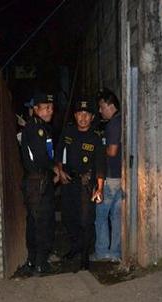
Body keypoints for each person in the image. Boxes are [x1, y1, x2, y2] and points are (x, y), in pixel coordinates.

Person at [56, 97, 106, 271]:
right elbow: (58, 153)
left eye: (87, 114)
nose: (83, 118)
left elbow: (101, 165)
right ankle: (75, 246)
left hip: (86, 184)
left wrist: (100, 188)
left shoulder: (96, 138)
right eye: (79, 114)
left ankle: (85, 256)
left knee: (86, 221)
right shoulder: (68, 133)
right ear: (75, 115)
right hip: (69, 182)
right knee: (69, 218)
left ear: (92, 117)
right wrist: (60, 171)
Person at [17, 93, 61, 276]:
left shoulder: (39, 126)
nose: (50, 111)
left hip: (37, 181)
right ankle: (40, 263)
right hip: (39, 181)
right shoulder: (37, 129)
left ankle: (33, 261)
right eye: (45, 107)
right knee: (42, 222)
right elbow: (41, 156)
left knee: (36, 221)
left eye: (51, 107)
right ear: (36, 109)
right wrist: (54, 170)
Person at [93, 89, 122, 263]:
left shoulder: (112, 124)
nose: (100, 110)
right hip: (121, 176)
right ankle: (115, 253)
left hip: (110, 177)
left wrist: (98, 149)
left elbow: (112, 151)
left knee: (101, 215)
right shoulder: (121, 121)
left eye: (102, 107)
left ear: (111, 106)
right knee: (116, 217)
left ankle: (102, 251)